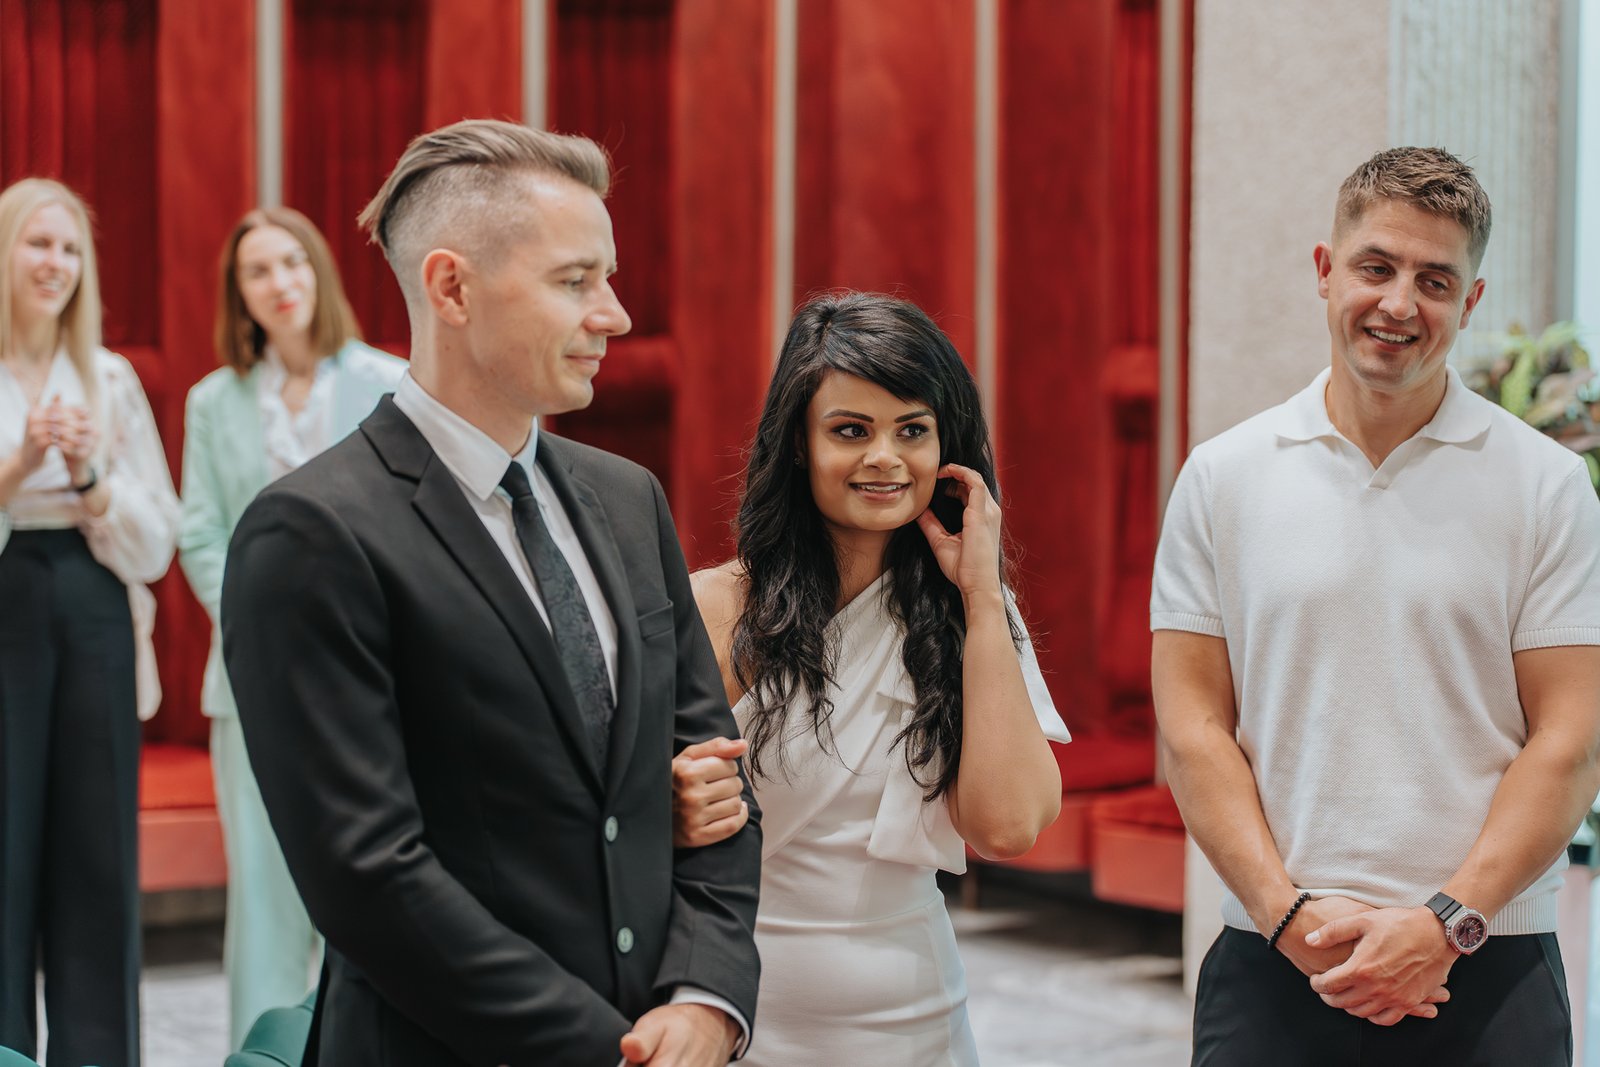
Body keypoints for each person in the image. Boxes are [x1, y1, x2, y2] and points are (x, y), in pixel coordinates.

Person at [219, 119, 761, 1067]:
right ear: (452, 288)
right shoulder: (310, 532)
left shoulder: (628, 499)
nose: (614, 315)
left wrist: (706, 995)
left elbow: (715, 776)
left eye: (608, 277)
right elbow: (367, 876)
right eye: (575, 281)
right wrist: (606, 1050)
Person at [1153, 146, 1600, 1065]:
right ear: (1326, 270)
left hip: (1488, 961)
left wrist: (1446, 922)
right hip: (1276, 956)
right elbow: (1193, 728)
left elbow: (1571, 740)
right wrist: (1287, 915)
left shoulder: (1547, 486)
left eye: (1435, 280)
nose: (1400, 304)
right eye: (1376, 267)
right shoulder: (1222, 477)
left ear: (1470, 302)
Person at [677, 291, 1068, 1066]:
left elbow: (1008, 825)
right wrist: (669, 805)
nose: (885, 457)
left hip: (918, 1026)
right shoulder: (715, 608)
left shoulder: (973, 614)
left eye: (912, 430)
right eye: (851, 430)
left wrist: (983, 597)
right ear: (799, 442)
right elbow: (620, 808)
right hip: (737, 1015)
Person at [178, 205, 406, 1047]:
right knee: (264, 893)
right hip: (252, 675)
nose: (279, 283)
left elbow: (409, 524)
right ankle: (262, 1055)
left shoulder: (389, 383)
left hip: (370, 669)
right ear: (238, 293)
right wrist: (256, 620)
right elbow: (199, 529)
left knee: (373, 880)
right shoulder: (214, 401)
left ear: (320, 271)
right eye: (257, 271)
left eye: (292, 263)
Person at [0, 177, 180, 1066]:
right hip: (6, 593)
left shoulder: (110, 378)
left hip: (93, 599)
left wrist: (89, 476)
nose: (56, 263)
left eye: (70, 248)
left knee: (97, 851)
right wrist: (19, 462)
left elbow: (157, 539)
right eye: (38, 243)